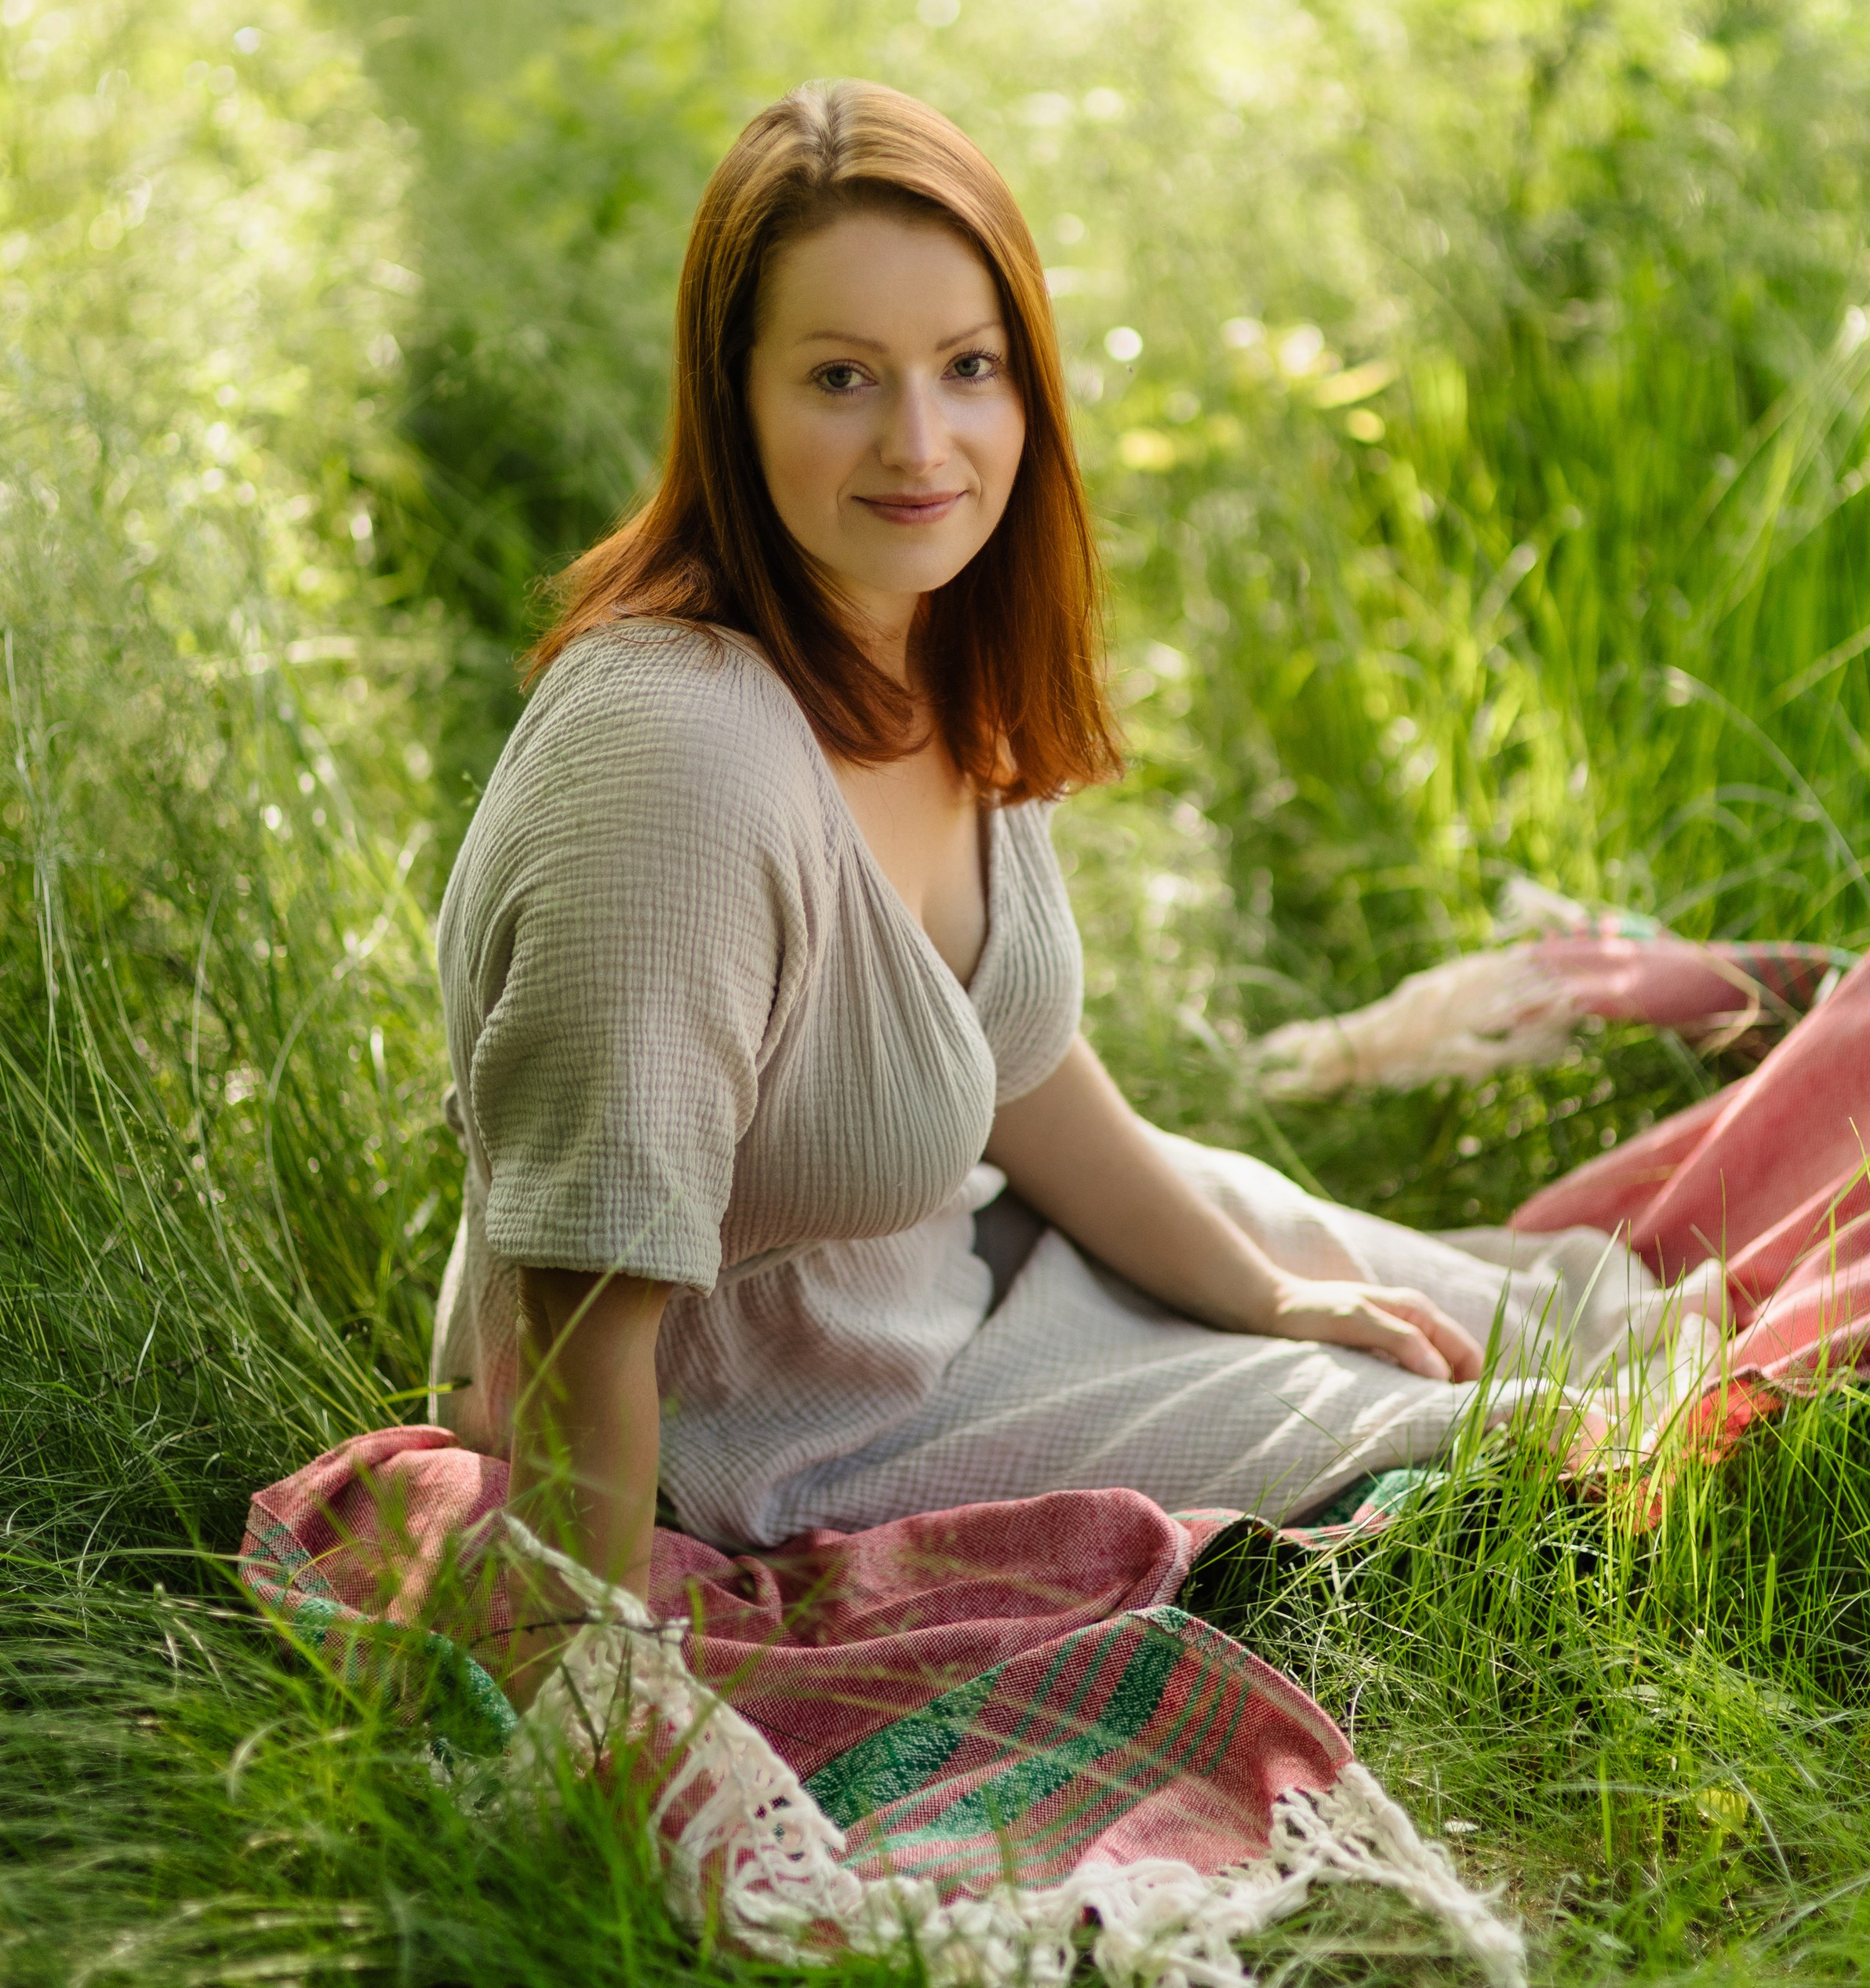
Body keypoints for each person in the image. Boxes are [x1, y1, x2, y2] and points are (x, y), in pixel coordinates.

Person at [430, 81, 1683, 1661]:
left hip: (948, 1269)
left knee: (1571, 1315)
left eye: (968, 368)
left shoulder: (920, 636)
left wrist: (1261, 1289)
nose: (920, 443)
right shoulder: (677, 766)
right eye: (840, 377)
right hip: (785, 1430)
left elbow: (1010, 1063)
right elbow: (586, 1280)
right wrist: (582, 1669)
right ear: (728, 397)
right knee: (1523, 1442)